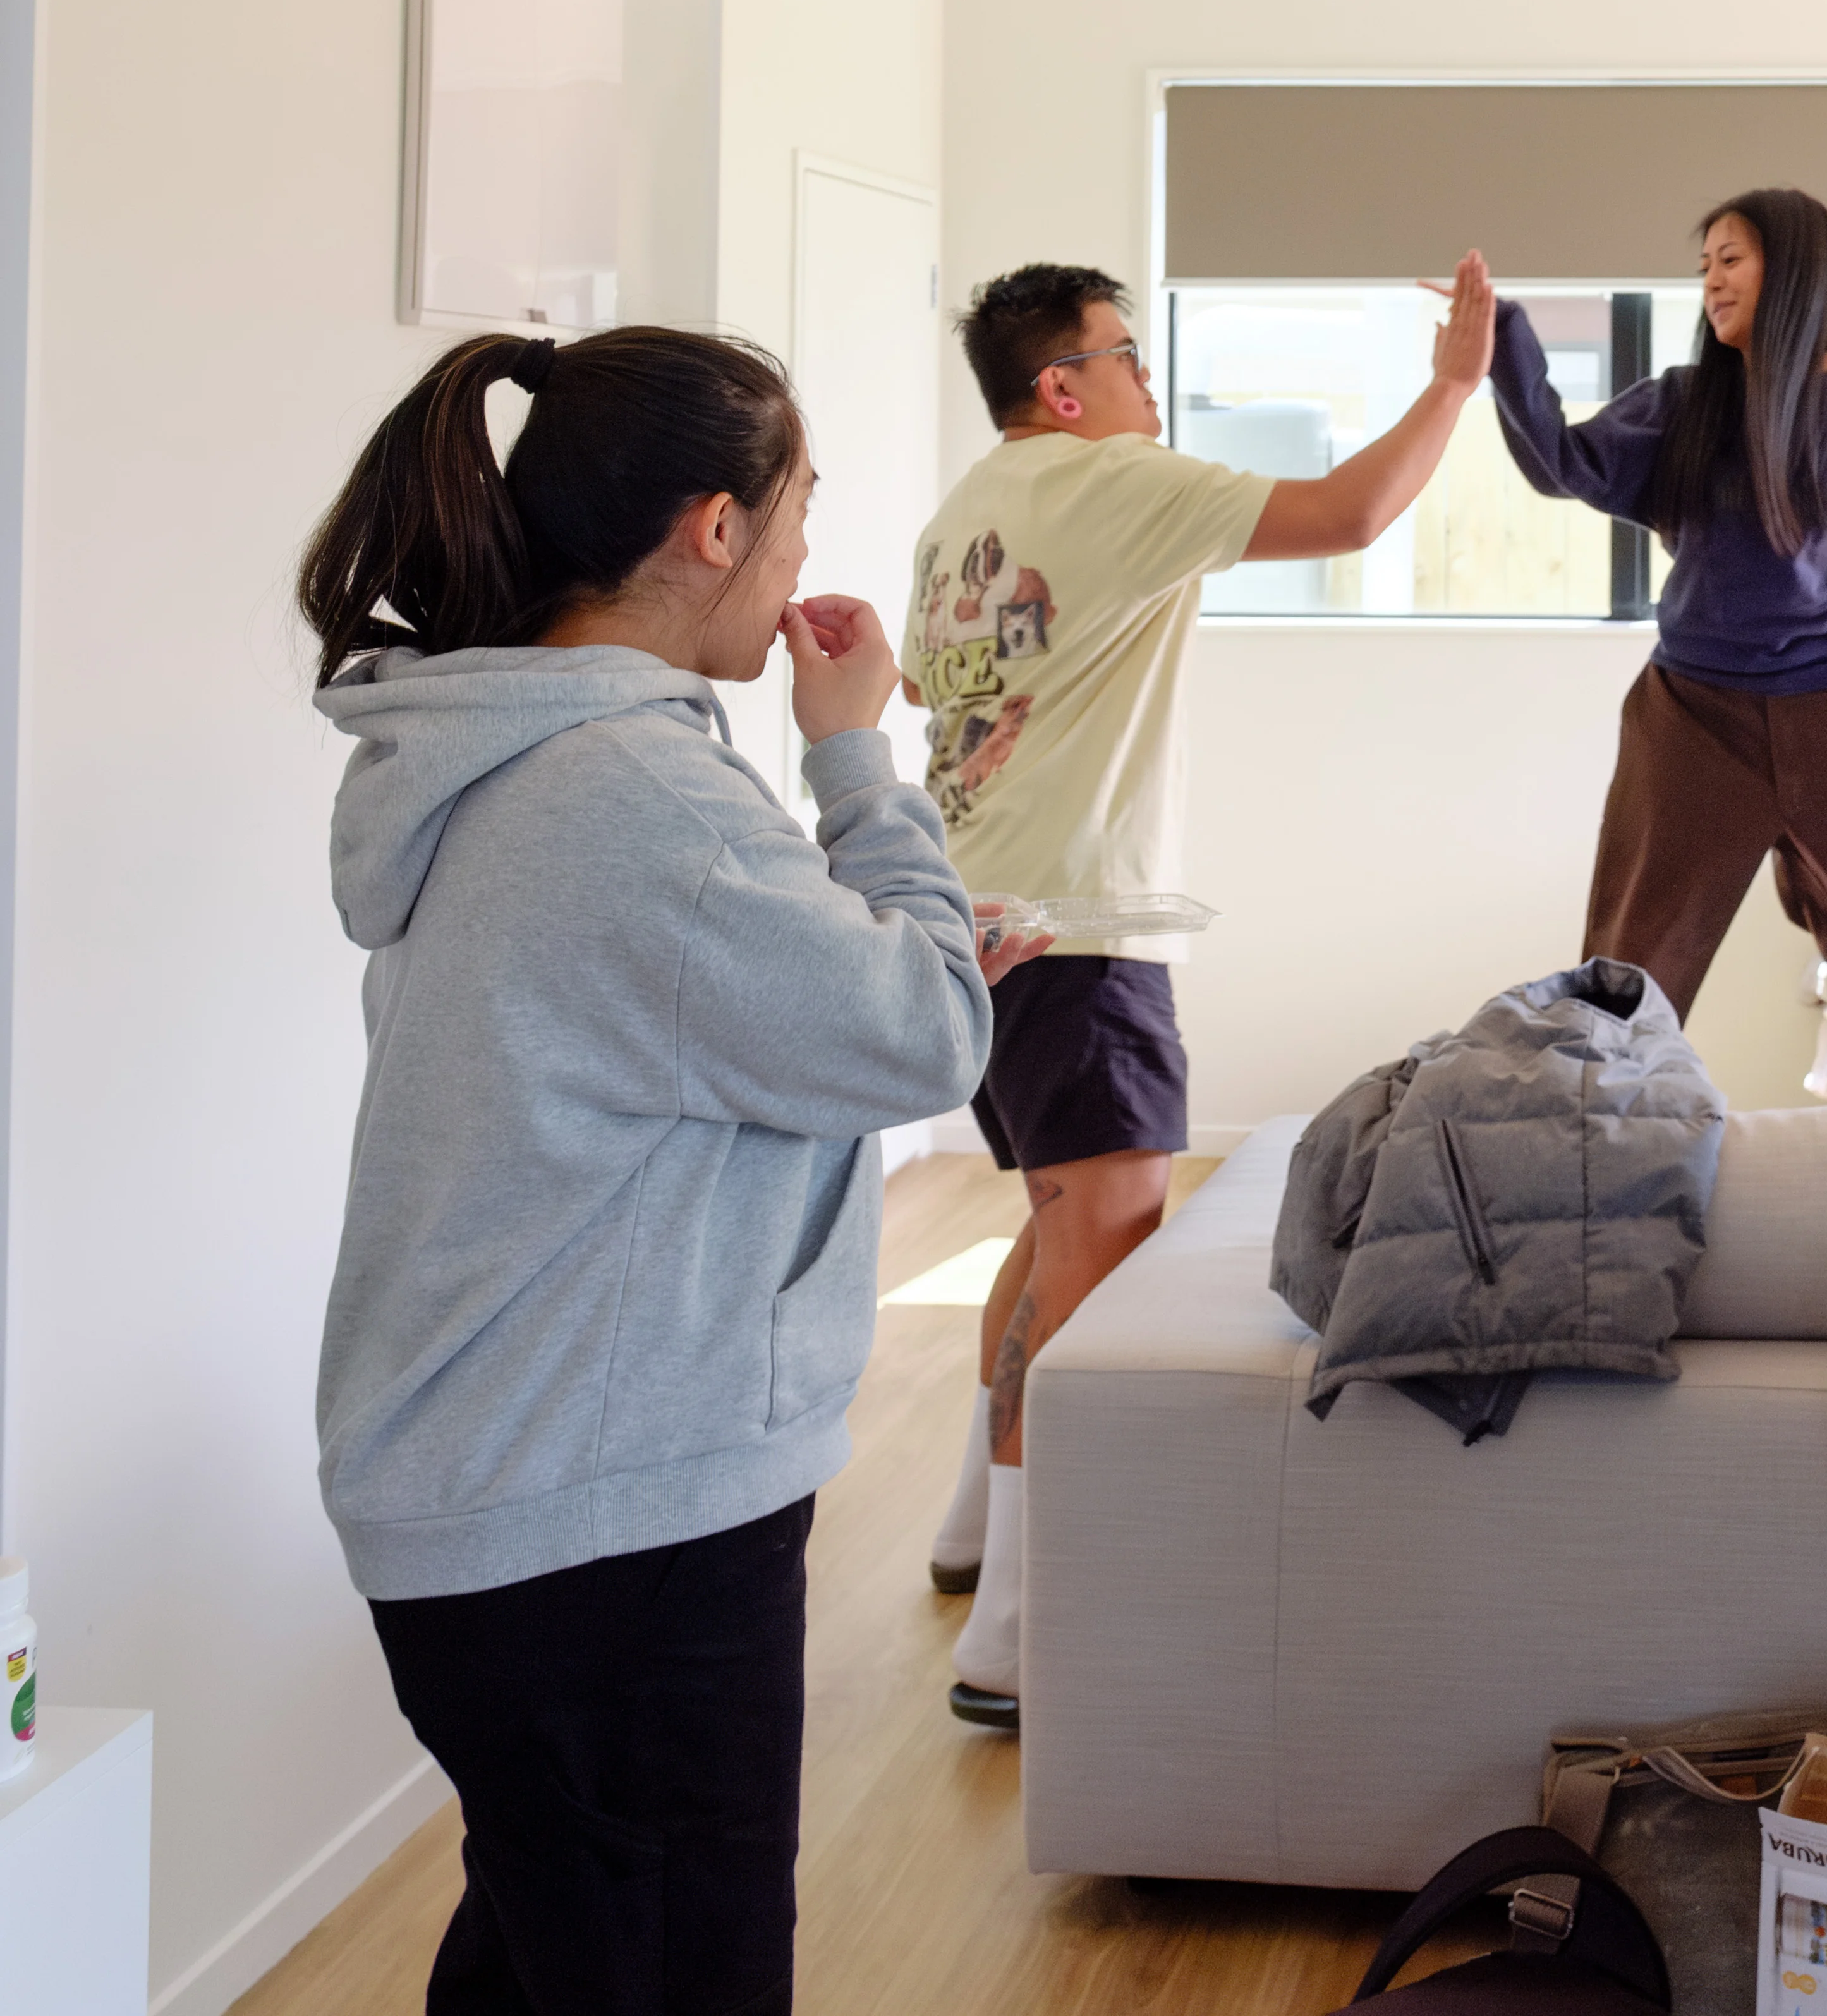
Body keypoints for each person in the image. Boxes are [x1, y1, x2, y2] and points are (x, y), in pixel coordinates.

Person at [298, 326, 1026, 2012]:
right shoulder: (638, 798)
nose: (796, 567)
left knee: (549, 1952)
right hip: (602, 1537)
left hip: (503, 1506)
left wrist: (870, 947)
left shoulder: (505, 751)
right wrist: (859, 766)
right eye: (793, 520)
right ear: (710, 530)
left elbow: (719, 1020)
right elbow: (922, 1040)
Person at [911, 254, 1496, 1725]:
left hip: (972, 925)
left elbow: (936, 691)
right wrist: (1452, 384)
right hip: (1084, 930)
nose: (1146, 382)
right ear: (1063, 386)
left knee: (1051, 1224)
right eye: (1123, 355)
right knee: (1099, 1251)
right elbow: (1353, 513)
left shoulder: (960, 515)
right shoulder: (1112, 484)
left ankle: (975, 1527)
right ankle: (1021, 1638)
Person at [1492, 186, 1827, 1095]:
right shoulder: (1683, 404)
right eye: (1705, 266)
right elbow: (1560, 463)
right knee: (1632, 964)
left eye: (1731, 260)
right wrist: (1504, 341)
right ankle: (1589, 1157)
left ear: (1793, 270)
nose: (1712, 282)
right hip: (1691, 718)